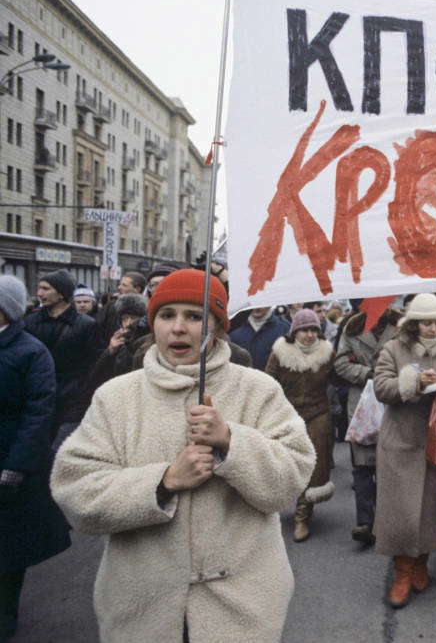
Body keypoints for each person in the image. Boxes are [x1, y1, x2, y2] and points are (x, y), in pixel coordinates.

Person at [51, 269, 315, 643]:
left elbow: (291, 480)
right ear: (152, 323)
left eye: (194, 317)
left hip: (242, 605)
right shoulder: (116, 398)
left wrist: (230, 440)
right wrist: (163, 481)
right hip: (141, 608)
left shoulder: (258, 390)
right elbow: (75, 490)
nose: (178, 328)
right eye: (167, 315)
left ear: (218, 327)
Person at [372, 293, 436, 608]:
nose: (432, 329)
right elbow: (381, 388)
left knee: (430, 509)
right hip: (401, 440)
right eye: (425, 323)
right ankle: (402, 571)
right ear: (413, 324)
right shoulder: (393, 348)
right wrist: (413, 381)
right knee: (400, 511)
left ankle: (421, 562)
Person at [0, 276, 71, 641]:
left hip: (10, 462)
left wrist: (17, 465)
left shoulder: (30, 351)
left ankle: (5, 615)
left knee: (7, 550)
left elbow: (38, 411)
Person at [265, 309, 337, 542]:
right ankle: (272, 507)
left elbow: (339, 376)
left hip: (319, 413)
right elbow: (268, 383)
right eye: (304, 330)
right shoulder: (279, 353)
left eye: (314, 329)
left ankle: (302, 516)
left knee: (315, 462)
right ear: (294, 331)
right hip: (288, 413)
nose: (309, 335)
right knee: (284, 461)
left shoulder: (327, 353)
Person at [335, 304, 401, 547]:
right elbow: (340, 363)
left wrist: (386, 375)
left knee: (391, 465)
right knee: (362, 467)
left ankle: (389, 520)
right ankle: (365, 521)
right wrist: (368, 373)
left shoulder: (402, 325)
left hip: (393, 400)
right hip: (361, 402)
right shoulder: (351, 328)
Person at [24, 269, 97, 447]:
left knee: (59, 450)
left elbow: (93, 365)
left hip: (71, 401)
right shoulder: (30, 322)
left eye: (45, 288)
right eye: (39, 288)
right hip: (36, 397)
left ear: (61, 293)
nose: (39, 293)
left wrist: (82, 396)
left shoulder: (86, 325)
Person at [229, 306, 291, 370]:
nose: (257, 308)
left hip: (268, 378)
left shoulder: (284, 327)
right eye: (254, 303)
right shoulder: (233, 324)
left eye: (262, 304)